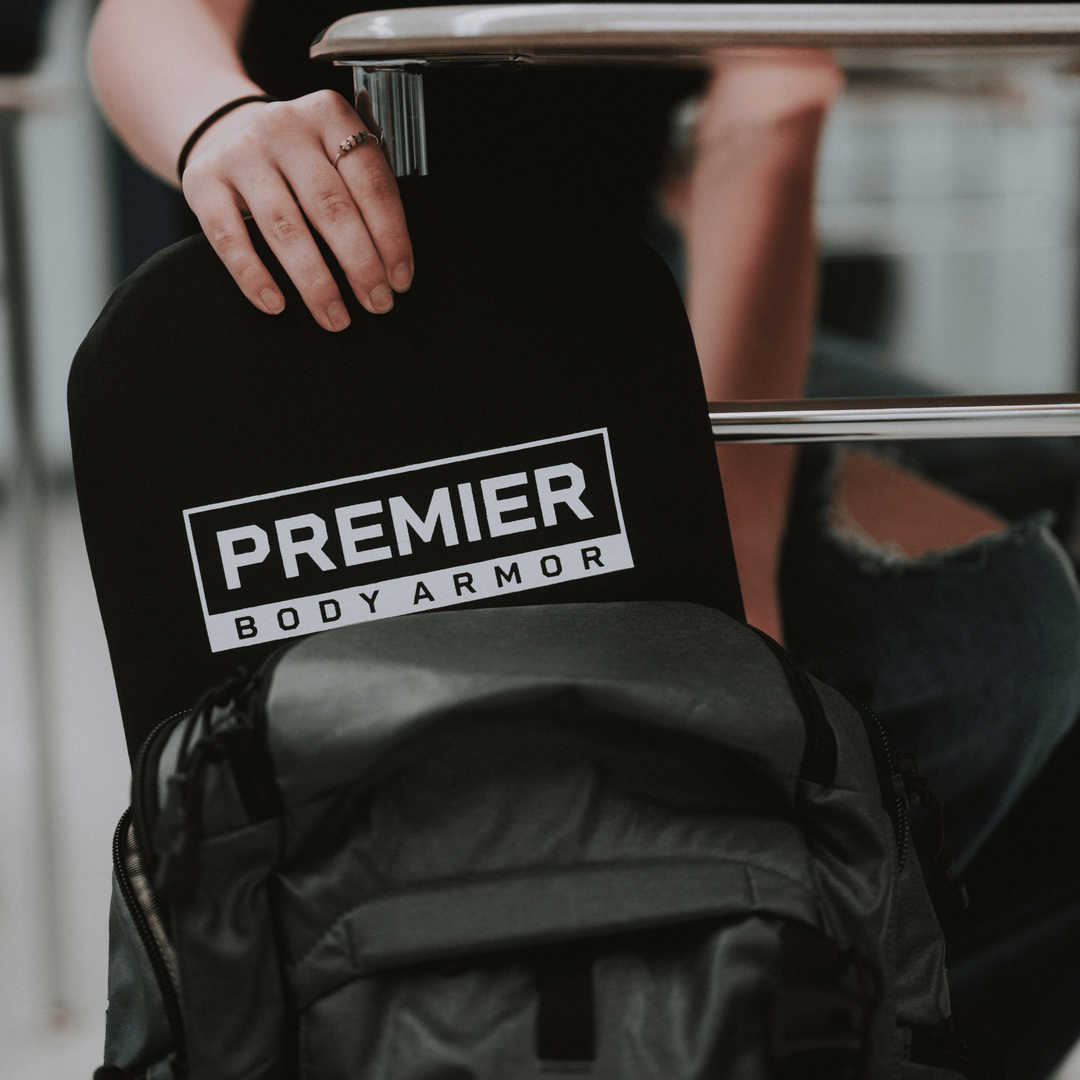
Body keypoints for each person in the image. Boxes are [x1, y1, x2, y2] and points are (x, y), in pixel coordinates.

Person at [88, 4, 1080, 1075]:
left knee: (1035, 496)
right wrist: (220, 123)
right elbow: (149, 23)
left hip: (611, 285)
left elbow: (773, 109)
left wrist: (730, 574)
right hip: (325, 302)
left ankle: (793, 1005)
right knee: (1011, 638)